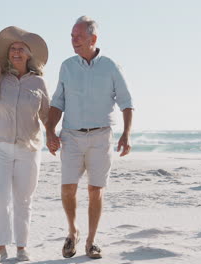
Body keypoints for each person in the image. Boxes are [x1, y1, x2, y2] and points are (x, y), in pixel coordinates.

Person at [46, 16, 134, 259]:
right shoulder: (67, 66)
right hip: (71, 136)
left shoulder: (111, 67)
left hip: (101, 136)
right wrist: (49, 131)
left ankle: (92, 241)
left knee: (96, 190)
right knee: (67, 188)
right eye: (72, 36)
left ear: (93, 39)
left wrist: (126, 134)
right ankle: (72, 231)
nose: (73, 41)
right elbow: (57, 102)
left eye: (78, 36)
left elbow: (127, 103)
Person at [0, 26, 50, 263]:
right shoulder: (2, 79)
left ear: (29, 54)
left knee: (23, 199)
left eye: (21, 49)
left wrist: (53, 135)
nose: (16, 52)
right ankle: (0, 247)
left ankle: (21, 248)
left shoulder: (39, 83)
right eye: (12, 49)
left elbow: (46, 116)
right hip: (0, 145)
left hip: (29, 148)